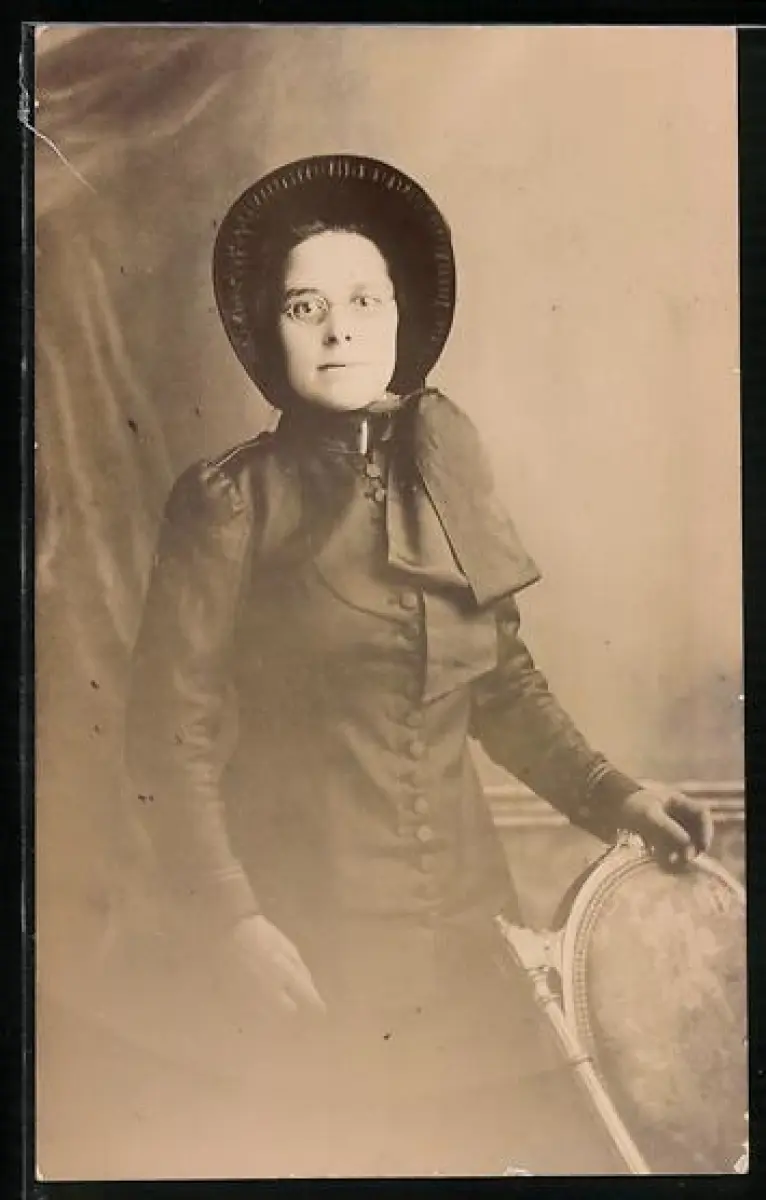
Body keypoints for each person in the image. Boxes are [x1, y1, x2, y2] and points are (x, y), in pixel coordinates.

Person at [125, 154, 713, 1177]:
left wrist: (616, 797)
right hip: (306, 944)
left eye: (364, 300)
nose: (339, 330)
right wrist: (232, 918)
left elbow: (501, 686)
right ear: (267, 330)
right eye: (306, 306)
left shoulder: (446, 472)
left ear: (401, 319)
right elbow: (165, 737)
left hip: (472, 936)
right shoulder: (229, 503)